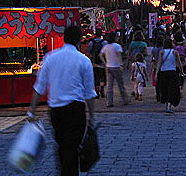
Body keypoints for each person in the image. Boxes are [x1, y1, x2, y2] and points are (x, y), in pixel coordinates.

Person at [28, 25, 96, 176]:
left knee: (62, 144)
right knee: (72, 147)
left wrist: (31, 112)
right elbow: (89, 92)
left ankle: (65, 171)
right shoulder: (83, 61)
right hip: (76, 109)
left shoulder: (50, 58)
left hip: (56, 111)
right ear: (79, 40)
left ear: (64, 37)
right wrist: (91, 115)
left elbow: (39, 88)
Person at [100, 31, 130, 108]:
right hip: (116, 67)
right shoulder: (117, 46)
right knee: (120, 84)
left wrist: (105, 62)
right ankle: (125, 99)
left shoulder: (106, 46)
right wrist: (121, 65)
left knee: (109, 85)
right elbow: (119, 56)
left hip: (108, 67)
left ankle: (109, 102)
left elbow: (100, 55)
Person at [156, 38, 184, 113]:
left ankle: (166, 104)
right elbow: (179, 63)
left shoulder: (162, 52)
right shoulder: (175, 52)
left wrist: (156, 73)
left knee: (165, 88)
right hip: (172, 72)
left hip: (163, 72)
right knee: (172, 89)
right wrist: (182, 72)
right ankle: (169, 105)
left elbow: (159, 63)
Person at [85, 29, 107, 98]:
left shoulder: (91, 43)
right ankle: (102, 90)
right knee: (102, 77)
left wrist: (92, 56)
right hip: (103, 63)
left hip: (94, 63)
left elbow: (87, 52)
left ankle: (97, 92)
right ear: (101, 34)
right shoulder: (105, 43)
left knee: (96, 78)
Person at [149, 36, 164, 101]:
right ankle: (162, 95)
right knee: (163, 82)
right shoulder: (163, 49)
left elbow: (151, 59)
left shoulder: (154, 49)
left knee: (157, 83)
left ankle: (158, 96)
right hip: (163, 67)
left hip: (156, 67)